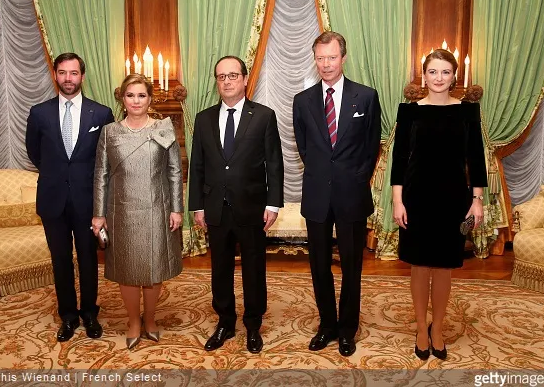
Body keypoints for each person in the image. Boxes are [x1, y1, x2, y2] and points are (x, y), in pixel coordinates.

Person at [391, 49, 487, 361]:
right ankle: (421, 327)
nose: (439, 78)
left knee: (444, 267)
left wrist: (477, 202)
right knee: (419, 265)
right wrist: (397, 201)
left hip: (454, 200)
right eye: (433, 72)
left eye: (445, 72)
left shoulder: (467, 111)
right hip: (416, 199)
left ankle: (438, 328)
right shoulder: (409, 112)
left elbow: (476, 159)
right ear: (424, 75)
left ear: (454, 76)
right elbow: (399, 160)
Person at [292, 31, 381, 357]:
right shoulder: (302, 101)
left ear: (343, 58)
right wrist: (323, 173)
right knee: (318, 265)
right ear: (315, 60)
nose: (326, 63)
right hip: (316, 194)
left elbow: (372, 146)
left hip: (351, 194)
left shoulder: (366, 97)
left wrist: (356, 177)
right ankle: (327, 325)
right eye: (320, 58)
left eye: (331, 57)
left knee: (352, 265)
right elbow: (305, 147)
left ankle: (347, 329)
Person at [189, 55, 284, 354]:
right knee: (220, 268)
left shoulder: (264, 116)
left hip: (252, 207)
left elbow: (274, 163)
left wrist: (274, 204)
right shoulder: (203, 118)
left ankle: (253, 325)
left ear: (245, 79)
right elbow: (198, 165)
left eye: (233, 75)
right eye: (221, 77)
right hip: (215, 207)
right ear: (216, 82)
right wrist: (197, 206)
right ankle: (225, 322)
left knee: (254, 268)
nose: (227, 81)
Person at [25, 52, 114, 342]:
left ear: (82, 76)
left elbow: (105, 159)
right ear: (55, 75)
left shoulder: (100, 114)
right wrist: (57, 176)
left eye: (73, 73)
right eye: (62, 72)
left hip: (87, 201)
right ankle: (67, 315)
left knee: (88, 258)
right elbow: (35, 154)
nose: (68, 78)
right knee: (60, 259)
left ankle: (89, 312)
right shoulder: (38, 113)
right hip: (52, 200)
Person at [91, 74, 184, 349]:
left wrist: (177, 209)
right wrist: (98, 214)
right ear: (122, 98)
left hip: (157, 210)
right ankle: (133, 320)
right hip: (122, 212)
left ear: (150, 99)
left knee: (153, 269)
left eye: (141, 95)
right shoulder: (109, 132)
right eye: (130, 95)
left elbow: (174, 173)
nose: (136, 100)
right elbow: (101, 175)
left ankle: (151, 319)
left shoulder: (164, 128)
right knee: (128, 270)